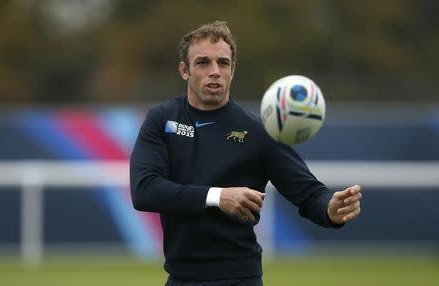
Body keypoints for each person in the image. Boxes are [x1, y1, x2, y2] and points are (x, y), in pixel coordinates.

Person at [130, 21, 362, 286]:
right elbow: (145, 190)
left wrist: (330, 208)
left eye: (223, 63)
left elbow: (309, 193)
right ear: (185, 70)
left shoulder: (257, 130)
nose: (214, 71)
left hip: (239, 278)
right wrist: (219, 196)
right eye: (203, 62)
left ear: (233, 69)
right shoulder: (162, 119)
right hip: (180, 278)